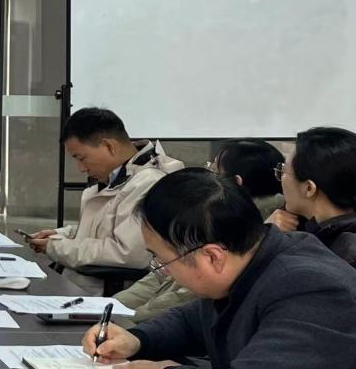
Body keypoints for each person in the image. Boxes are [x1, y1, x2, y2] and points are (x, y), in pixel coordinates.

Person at [82, 169, 356, 369]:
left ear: (213, 256)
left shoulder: (311, 287)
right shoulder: (253, 261)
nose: (164, 271)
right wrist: (137, 340)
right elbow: (191, 321)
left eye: (163, 261)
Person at [116, 138, 284, 322]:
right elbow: (160, 275)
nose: (207, 174)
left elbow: (184, 301)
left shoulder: (220, 225)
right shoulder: (209, 215)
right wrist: (114, 307)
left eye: (214, 170)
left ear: (235, 183)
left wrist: (125, 321)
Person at [29, 108, 183, 294]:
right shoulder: (118, 177)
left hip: (103, 294)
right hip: (80, 285)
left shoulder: (149, 183)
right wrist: (62, 234)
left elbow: (126, 253)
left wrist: (56, 246)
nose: (81, 168)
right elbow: (104, 227)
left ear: (109, 146)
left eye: (81, 158)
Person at [274, 127, 356, 267]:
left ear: (309, 188)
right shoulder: (326, 235)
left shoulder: (343, 255)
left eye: (283, 170)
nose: (280, 178)